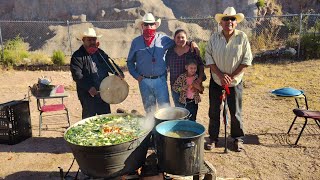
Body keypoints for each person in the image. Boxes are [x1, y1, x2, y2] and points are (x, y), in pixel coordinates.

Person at [127, 13, 199, 114]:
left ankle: (163, 129)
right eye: (146, 25)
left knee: (165, 110)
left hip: (160, 80)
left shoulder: (163, 39)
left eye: (151, 24)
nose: (149, 27)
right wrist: (136, 76)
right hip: (144, 81)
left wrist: (191, 43)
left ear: (155, 25)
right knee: (149, 109)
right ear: (142, 26)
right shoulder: (136, 42)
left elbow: (178, 41)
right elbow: (130, 61)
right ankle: (152, 130)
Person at [204, 7, 253, 152]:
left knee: (235, 111)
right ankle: (213, 138)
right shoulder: (214, 38)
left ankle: (237, 138)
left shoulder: (242, 37)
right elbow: (208, 57)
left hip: (234, 82)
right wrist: (220, 75)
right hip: (216, 81)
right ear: (221, 22)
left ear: (236, 22)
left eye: (232, 19)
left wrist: (231, 76)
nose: (229, 22)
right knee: (214, 110)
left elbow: (246, 60)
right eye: (226, 19)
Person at [70, 27, 124, 119]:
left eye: (94, 39)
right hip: (87, 94)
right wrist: (89, 87)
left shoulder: (100, 53)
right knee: (89, 119)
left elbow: (110, 64)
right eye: (89, 40)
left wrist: (118, 72)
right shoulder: (77, 56)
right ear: (83, 40)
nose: (92, 42)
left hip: (103, 92)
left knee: (105, 118)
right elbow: (77, 75)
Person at [165, 29, 205, 108]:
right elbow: (166, 66)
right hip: (176, 87)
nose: (180, 39)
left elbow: (201, 65)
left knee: (191, 111)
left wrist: (199, 80)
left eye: (183, 37)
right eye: (178, 37)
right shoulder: (170, 51)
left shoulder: (192, 51)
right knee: (179, 111)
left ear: (186, 39)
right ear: (174, 39)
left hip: (191, 87)